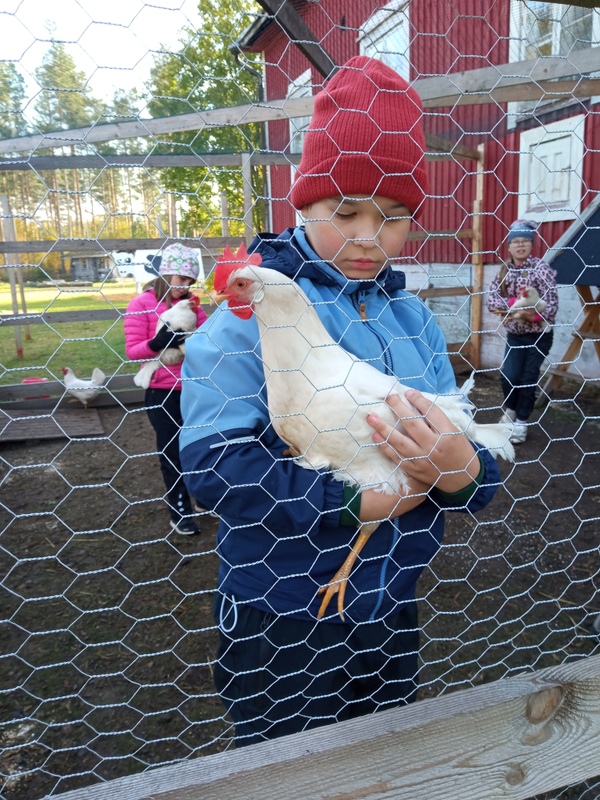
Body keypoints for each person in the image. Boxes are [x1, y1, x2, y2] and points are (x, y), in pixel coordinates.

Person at [179, 56, 501, 745]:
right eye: (345, 212)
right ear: (304, 204)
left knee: (381, 757)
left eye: (394, 218)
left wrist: (465, 473)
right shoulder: (247, 320)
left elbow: (460, 444)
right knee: (285, 765)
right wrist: (353, 502)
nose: (367, 236)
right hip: (282, 606)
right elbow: (214, 468)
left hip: (392, 597)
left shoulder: (413, 320)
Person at [124, 242, 208, 535]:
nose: (185, 286)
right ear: (166, 274)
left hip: (193, 387)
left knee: (198, 446)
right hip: (161, 391)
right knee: (172, 451)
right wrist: (157, 343)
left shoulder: (193, 305)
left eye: (190, 281)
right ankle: (179, 509)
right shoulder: (141, 304)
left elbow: (206, 340)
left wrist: (196, 342)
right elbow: (132, 351)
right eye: (181, 278)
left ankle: (201, 496)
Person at [487, 219, 558, 444]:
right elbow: (492, 301)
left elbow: (552, 304)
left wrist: (532, 316)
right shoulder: (504, 271)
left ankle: (521, 422)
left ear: (531, 244)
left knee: (528, 378)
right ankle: (511, 409)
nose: (520, 245)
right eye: (515, 242)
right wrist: (514, 304)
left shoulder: (541, 269)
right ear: (508, 246)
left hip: (539, 336)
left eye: (525, 241)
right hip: (515, 336)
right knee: (509, 376)